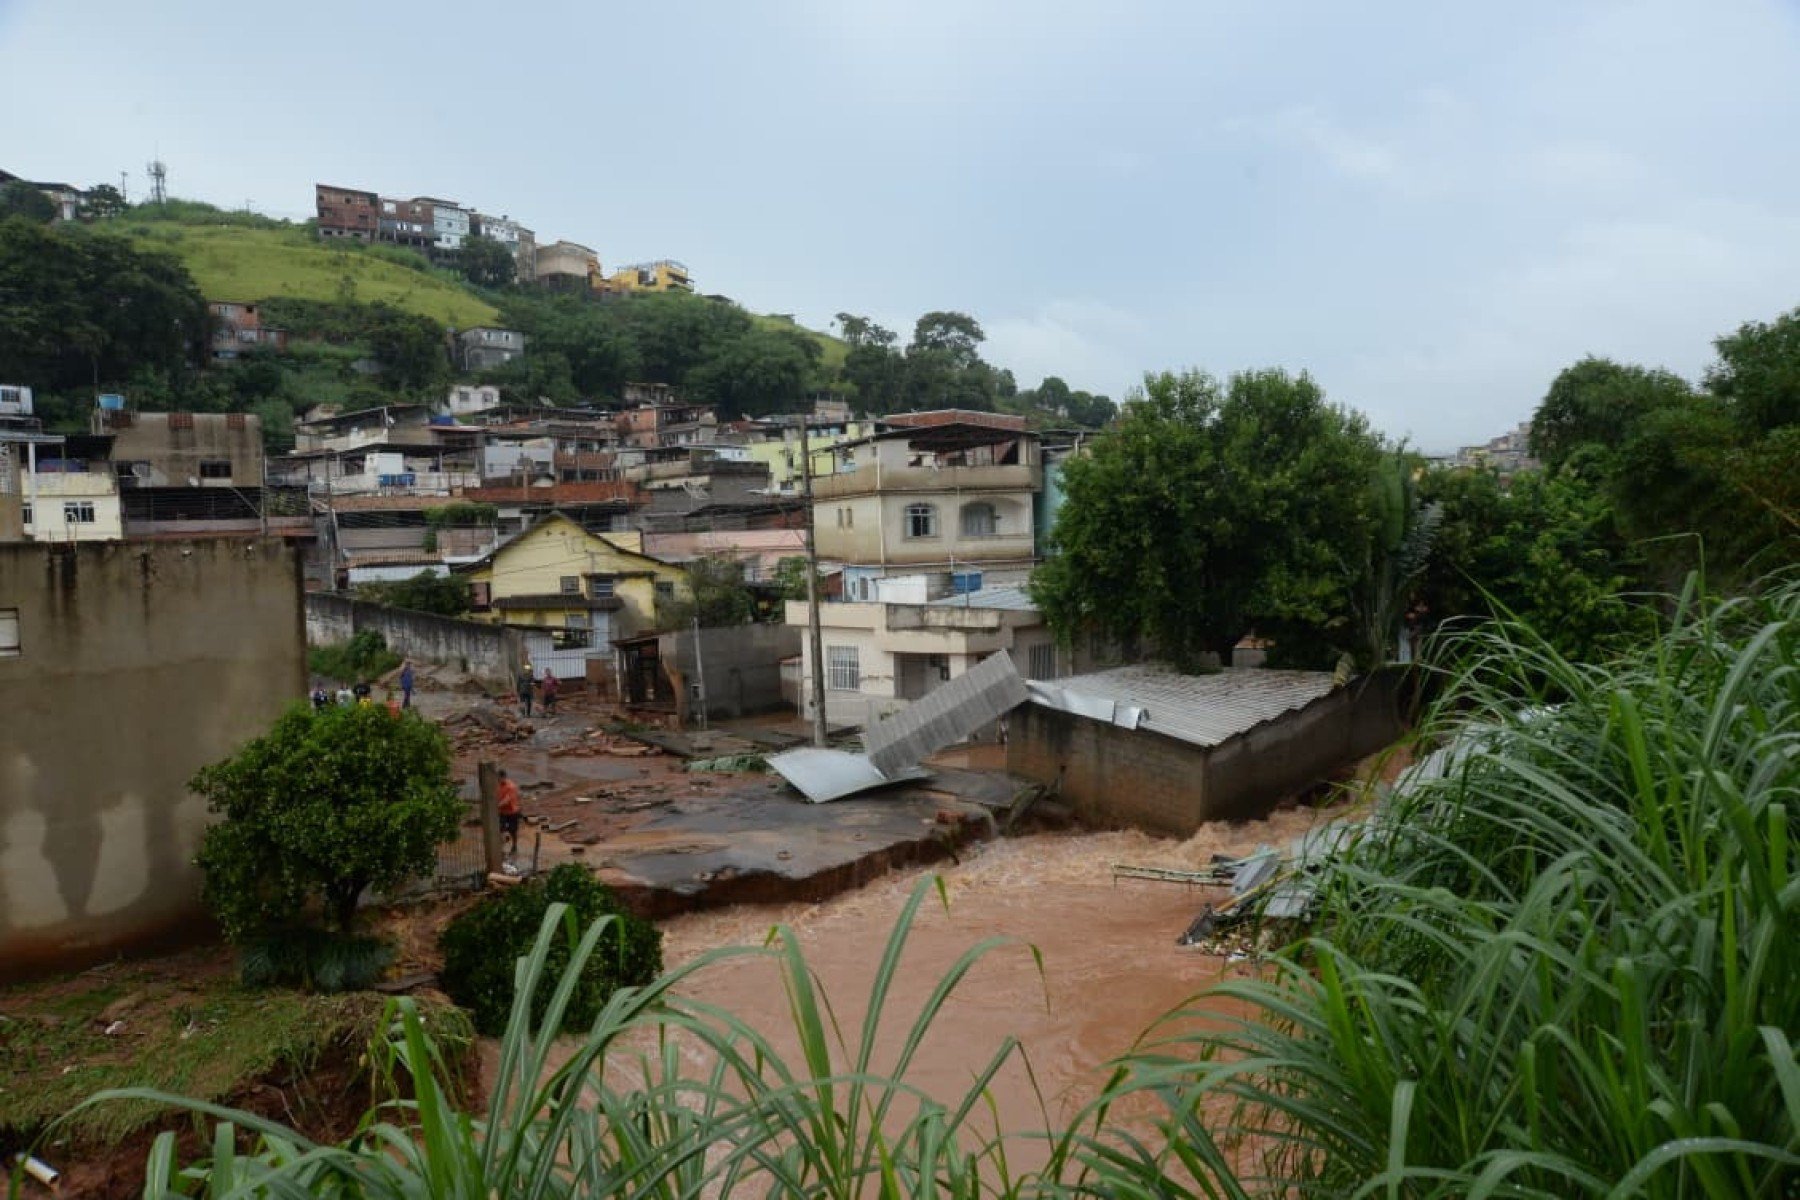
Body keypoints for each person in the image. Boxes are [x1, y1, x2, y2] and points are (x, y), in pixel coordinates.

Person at [496, 768, 523, 857]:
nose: (498, 780)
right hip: (502, 812)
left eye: (499, 778)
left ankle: (514, 845)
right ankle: (502, 848)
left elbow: (507, 800)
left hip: (512, 812)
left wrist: (496, 806)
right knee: (501, 829)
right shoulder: (498, 786)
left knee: (513, 831)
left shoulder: (511, 786)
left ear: (503, 777)